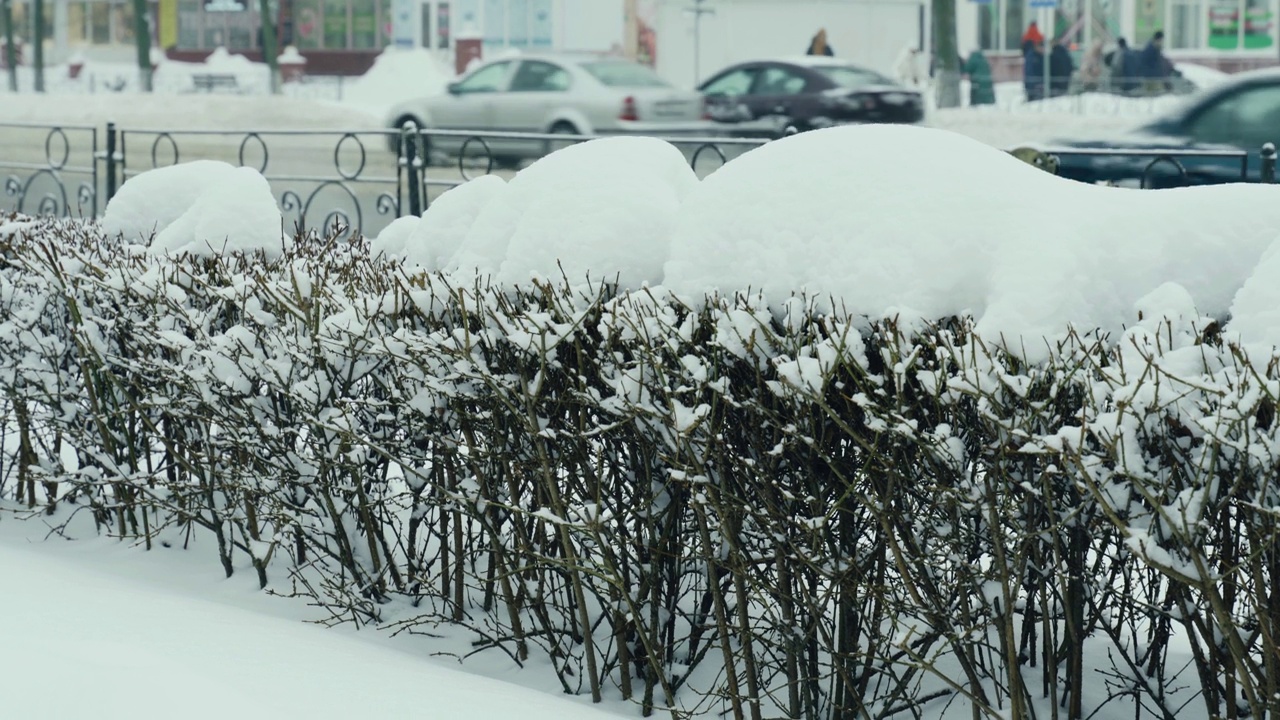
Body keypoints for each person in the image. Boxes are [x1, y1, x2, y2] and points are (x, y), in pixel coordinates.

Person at [1139, 31, 1172, 95]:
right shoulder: (1151, 49)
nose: (1162, 42)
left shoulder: (1154, 48)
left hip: (1154, 78)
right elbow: (1150, 64)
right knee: (1155, 96)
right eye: (1161, 40)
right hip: (1152, 79)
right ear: (1158, 39)